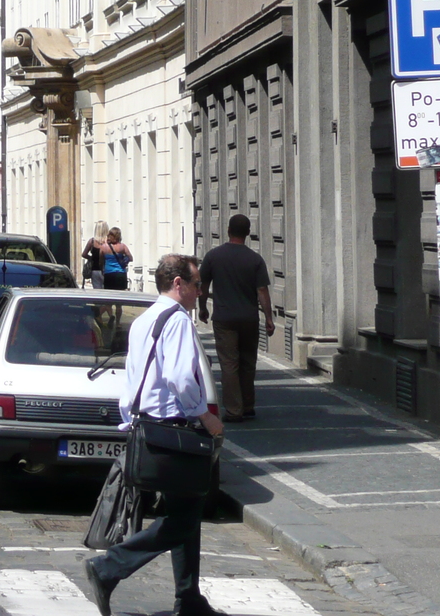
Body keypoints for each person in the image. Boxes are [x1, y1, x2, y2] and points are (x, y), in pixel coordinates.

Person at [83, 254, 224, 616]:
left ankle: (188, 597)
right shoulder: (175, 320)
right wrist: (205, 417)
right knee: (185, 517)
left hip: (148, 428)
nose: (199, 292)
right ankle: (109, 566)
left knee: (185, 508)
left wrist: (130, 419)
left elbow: (134, 381)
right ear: (178, 285)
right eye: (196, 285)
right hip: (172, 430)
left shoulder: (144, 319)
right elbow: (179, 378)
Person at [199, 213, 275, 423]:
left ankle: (234, 410)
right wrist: (268, 318)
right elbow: (262, 290)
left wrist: (202, 307)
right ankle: (248, 405)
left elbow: (203, 285)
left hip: (224, 318)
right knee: (248, 362)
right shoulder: (255, 259)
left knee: (229, 363)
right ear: (248, 233)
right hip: (249, 318)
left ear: (228, 231)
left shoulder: (213, 256)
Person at [83, 220, 109, 288]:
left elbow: (84, 254)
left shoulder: (92, 241)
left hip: (95, 269)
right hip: (107, 269)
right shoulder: (109, 242)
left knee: (97, 291)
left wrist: (92, 258)